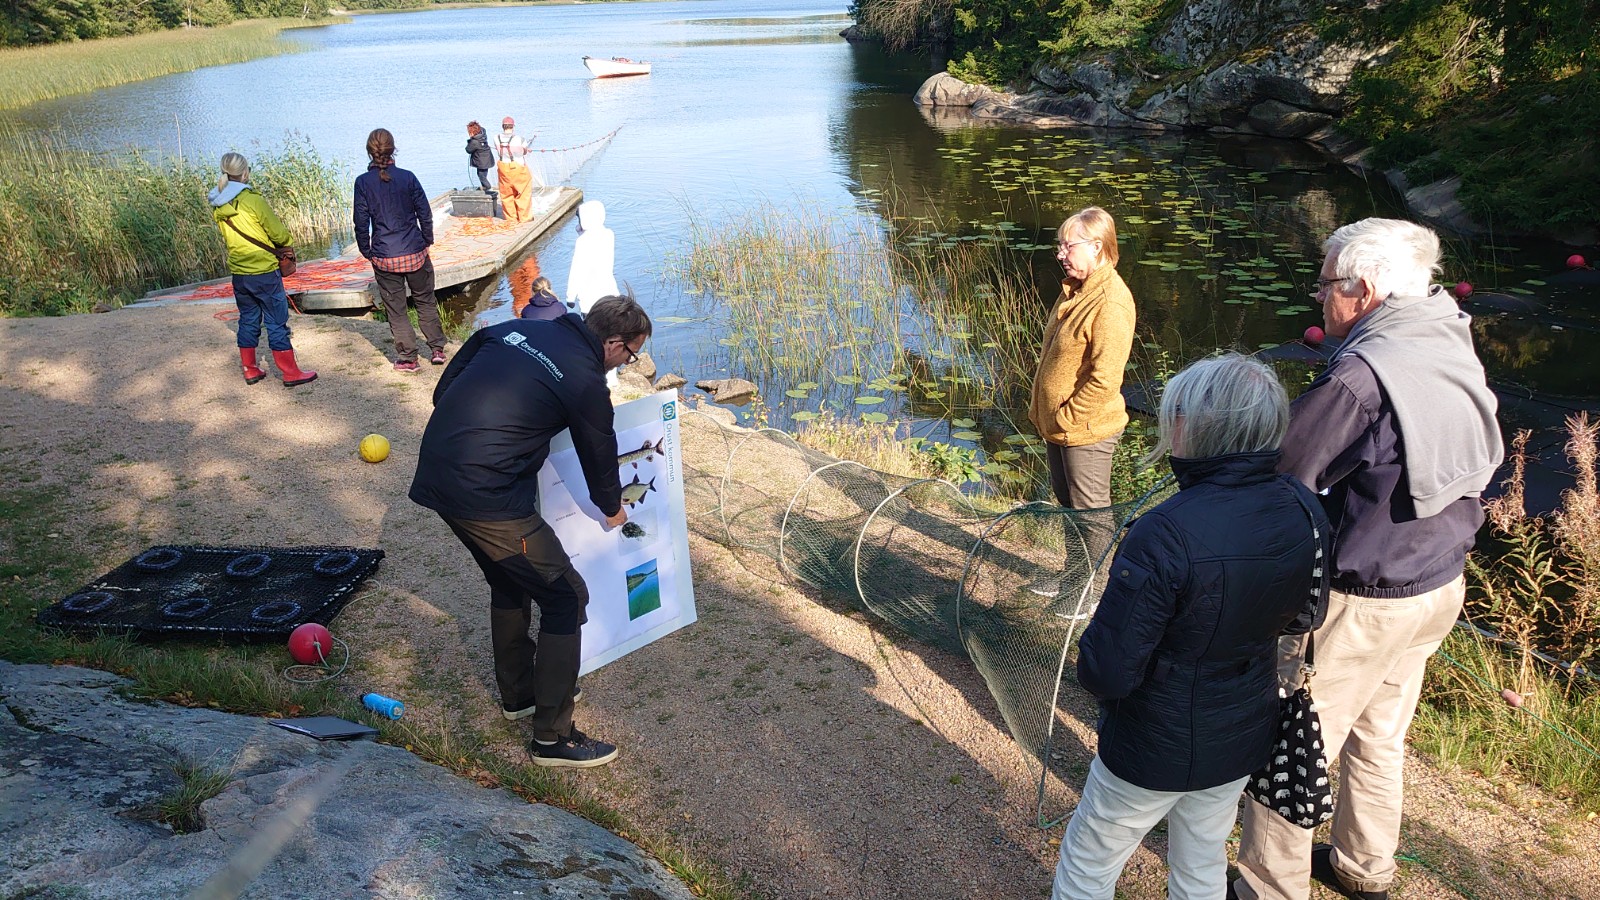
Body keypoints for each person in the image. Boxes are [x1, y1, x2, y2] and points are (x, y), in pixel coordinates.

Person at [1232, 219, 1502, 900]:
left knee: (1296, 741)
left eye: (1325, 285)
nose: (1319, 299)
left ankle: (1268, 886)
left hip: (1365, 598)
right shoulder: (1446, 330)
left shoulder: (1360, 375)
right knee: (1380, 733)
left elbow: (1284, 472)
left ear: (1363, 288)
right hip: (1440, 581)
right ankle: (1363, 866)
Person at [1052, 352, 1327, 900]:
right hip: (1244, 726)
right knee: (1201, 855)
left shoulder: (1163, 531)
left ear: (1194, 428)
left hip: (1154, 738)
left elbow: (1106, 670)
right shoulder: (1302, 505)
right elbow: (1307, 612)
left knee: (1091, 855)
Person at [408, 295, 651, 768]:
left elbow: (445, 391)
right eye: (631, 354)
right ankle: (553, 738)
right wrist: (612, 509)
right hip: (487, 494)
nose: (628, 363)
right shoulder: (585, 380)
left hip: (439, 469)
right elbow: (599, 454)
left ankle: (520, 694)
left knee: (509, 579)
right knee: (564, 597)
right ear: (613, 342)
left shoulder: (518, 328)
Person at [1026, 206, 1137, 598]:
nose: (1060, 253)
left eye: (1067, 245)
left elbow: (1106, 378)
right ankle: (1073, 579)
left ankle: (1089, 594)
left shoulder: (1110, 302)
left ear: (1096, 246)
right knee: (1068, 505)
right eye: (1060, 245)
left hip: (1086, 430)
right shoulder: (1076, 290)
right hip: (1060, 427)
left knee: (1091, 513)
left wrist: (1069, 418)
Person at [208, 151, 317, 387]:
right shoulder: (253, 200)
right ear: (245, 172)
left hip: (240, 273)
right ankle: (290, 372)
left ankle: (250, 369)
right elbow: (278, 233)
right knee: (276, 321)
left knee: (248, 319)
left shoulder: (218, 203)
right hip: (264, 273)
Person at [353, 127, 447, 372]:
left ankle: (408, 358)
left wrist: (367, 250)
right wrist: (427, 240)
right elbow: (425, 214)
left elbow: (361, 221)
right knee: (425, 300)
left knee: (396, 310)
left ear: (370, 152)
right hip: (415, 251)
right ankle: (437, 349)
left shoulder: (363, 183)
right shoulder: (408, 177)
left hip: (384, 256)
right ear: (393, 150)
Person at [566, 200, 619, 316]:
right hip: (610, 293)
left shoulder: (582, 241)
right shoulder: (609, 234)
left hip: (590, 299)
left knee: (592, 329)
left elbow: (576, 270)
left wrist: (570, 296)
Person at [495, 116, 537, 223]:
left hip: (503, 168)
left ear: (502, 126)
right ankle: (524, 218)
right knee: (523, 193)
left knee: (506, 194)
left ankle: (511, 218)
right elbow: (524, 151)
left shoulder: (496, 138)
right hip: (518, 168)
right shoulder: (520, 139)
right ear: (513, 127)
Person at [465, 121, 494, 192]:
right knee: (482, 175)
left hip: (481, 162)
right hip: (487, 159)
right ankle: (485, 188)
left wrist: (471, 139)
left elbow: (468, 150)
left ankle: (488, 188)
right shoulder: (483, 135)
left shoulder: (474, 142)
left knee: (481, 176)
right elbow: (483, 129)